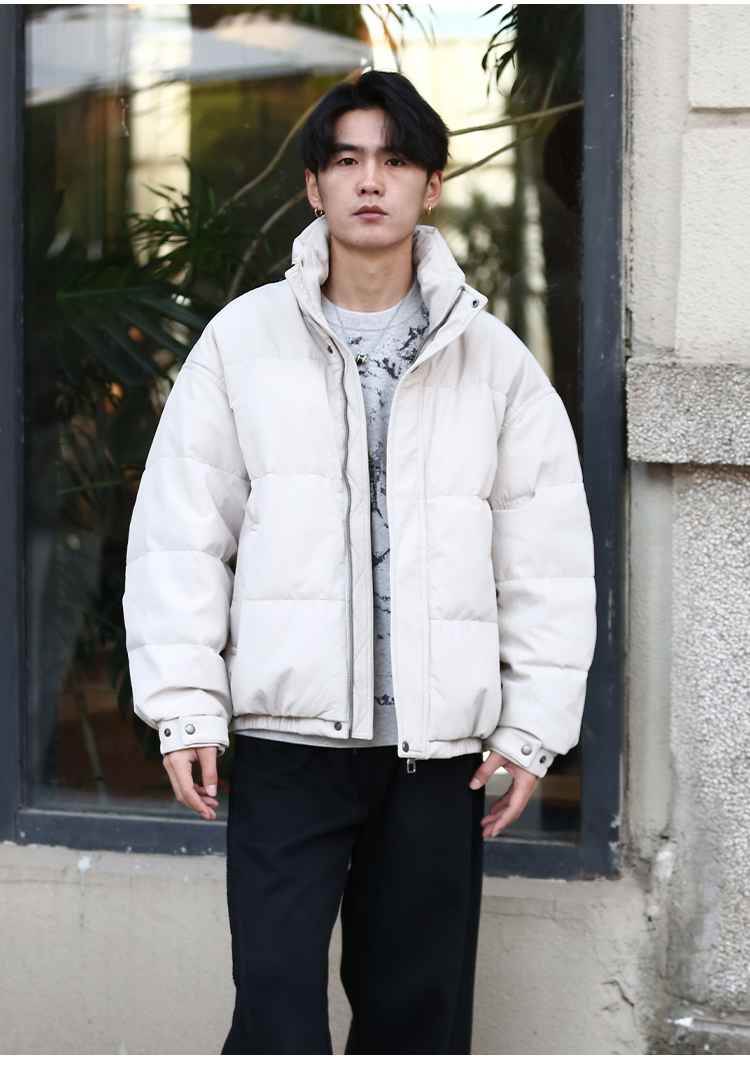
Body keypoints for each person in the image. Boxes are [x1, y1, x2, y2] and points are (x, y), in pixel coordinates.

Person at [123, 70, 596, 1055]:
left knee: (416, 1018)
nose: (370, 180)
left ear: (432, 183)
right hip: (288, 747)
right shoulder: (242, 343)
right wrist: (185, 706)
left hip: (435, 757)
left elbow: (546, 558)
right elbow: (181, 533)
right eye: (346, 160)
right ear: (314, 185)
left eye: (395, 159)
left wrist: (531, 730)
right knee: (276, 1008)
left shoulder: (494, 361)